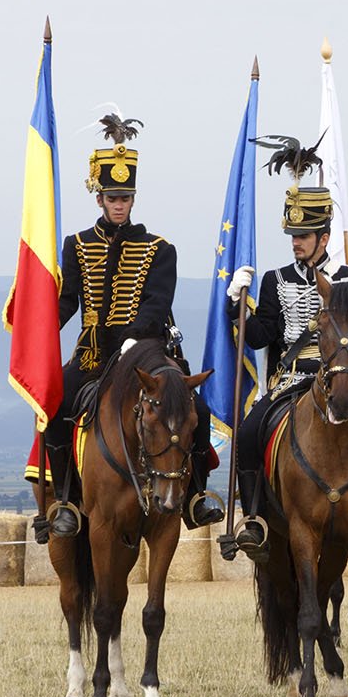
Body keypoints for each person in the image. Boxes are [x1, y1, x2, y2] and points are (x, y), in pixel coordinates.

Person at [220, 134, 348, 562]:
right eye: (293, 234)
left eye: (306, 234)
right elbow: (260, 336)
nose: (296, 242)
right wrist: (234, 305)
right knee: (249, 431)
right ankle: (256, 519)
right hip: (294, 380)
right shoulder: (275, 281)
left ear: (325, 235)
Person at [31, 114, 220, 542]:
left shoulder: (159, 249)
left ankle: (195, 496)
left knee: (196, 408)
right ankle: (63, 499)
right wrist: (37, 323)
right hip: (95, 353)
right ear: (99, 198)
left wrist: (136, 335)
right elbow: (67, 301)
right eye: (112, 197)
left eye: (126, 197)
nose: (120, 204)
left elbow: (157, 303)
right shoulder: (76, 246)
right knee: (54, 404)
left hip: (146, 350)